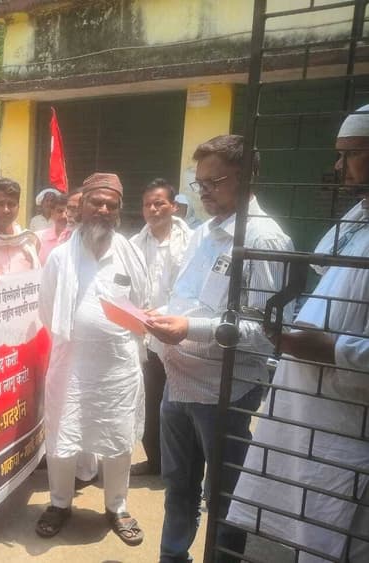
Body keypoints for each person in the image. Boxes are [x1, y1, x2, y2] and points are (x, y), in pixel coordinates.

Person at [227, 106, 369, 562]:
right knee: (310, 530)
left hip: (350, 423)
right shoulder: (357, 218)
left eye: (351, 154)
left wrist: (330, 348)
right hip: (309, 412)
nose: (339, 167)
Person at [145, 134, 293, 563]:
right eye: (200, 183)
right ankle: (173, 556)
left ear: (247, 177)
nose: (204, 192)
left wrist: (190, 327)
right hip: (179, 381)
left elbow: (266, 331)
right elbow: (188, 298)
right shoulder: (202, 233)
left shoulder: (264, 240)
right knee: (178, 485)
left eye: (215, 182)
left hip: (225, 390)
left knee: (225, 495)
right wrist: (161, 315)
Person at [36, 172, 149, 546]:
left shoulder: (130, 253)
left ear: (118, 211)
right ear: (81, 206)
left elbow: (142, 304)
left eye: (110, 205)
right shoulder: (59, 258)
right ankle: (59, 503)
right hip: (71, 366)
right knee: (63, 436)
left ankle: (117, 507)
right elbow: (48, 310)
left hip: (118, 368)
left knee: (118, 439)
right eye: (96, 202)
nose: (102, 209)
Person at [129, 179, 191, 476]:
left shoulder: (192, 243)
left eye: (159, 203)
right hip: (147, 336)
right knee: (151, 402)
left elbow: (191, 292)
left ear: (173, 206)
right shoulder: (133, 245)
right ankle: (155, 462)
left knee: (182, 405)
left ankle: (183, 469)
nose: (153, 209)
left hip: (182, 335)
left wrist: (163, 313)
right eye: (147, 205)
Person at [36, 193, 69, 264]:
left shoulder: (75, 238)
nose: (64, 216)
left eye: (67, 212)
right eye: (60, 211)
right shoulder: (39, 238)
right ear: (52, 213)